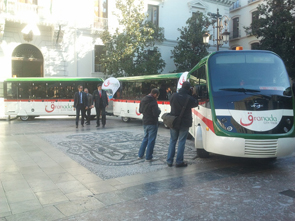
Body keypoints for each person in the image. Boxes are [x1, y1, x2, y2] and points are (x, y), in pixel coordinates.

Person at [167, 81, 198, 167]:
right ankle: (179, 161)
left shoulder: (174, 95)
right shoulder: (189, 98)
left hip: (173, 121)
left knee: (172, 141)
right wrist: (194, 94)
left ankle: (169, 161)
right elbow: (196, 103)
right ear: (188, 89)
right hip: (184, 123)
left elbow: (171, 103)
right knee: (181, 142)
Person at [138, 88, 161, 161]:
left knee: (145, 138)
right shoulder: (153, 102)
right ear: (155, 94)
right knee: (151, 140)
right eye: (157, 96)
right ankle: (148, 157)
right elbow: (155, 113)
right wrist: (159, 111)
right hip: (152, 123)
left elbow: (140, 110)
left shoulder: (143, 99)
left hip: (145, 122)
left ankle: (140, 155)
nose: (157, 97)